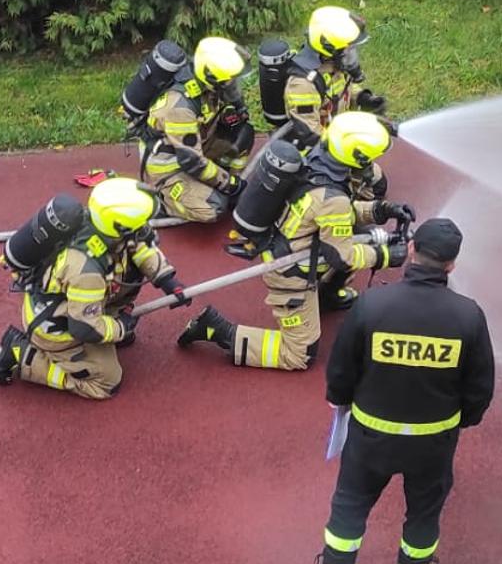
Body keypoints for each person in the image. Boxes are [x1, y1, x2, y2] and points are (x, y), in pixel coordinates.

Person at [303, 218, 495, 564]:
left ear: (410, 250)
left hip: (370, 437)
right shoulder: (468, 316)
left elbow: (341, 368)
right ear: (451, 264)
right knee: (423, 514)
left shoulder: (371, 305)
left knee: (350, 504)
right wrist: (461, 420)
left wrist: (340, 399)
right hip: (433, 442)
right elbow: (480, 388)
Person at [176, 112, 415, 370]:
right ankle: (216, 330)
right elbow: (342, 256)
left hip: (296, 248)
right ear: (357, 156)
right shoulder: (333, 197)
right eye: (369, 159)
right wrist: (385, 256)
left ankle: (328, 296)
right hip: (291, 275)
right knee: (299, 355)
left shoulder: (318, 161)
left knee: (356, 235)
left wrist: (380, 210)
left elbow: (334, 212)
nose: (371, 165)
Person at [0, 178, 189, 399]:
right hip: (57, 328)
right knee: (107, 382)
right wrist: (120, 327)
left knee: (129, 268)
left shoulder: (103, 226)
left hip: (79, 307)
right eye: (140, 223)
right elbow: (84, 328)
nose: (146, 228)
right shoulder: (87, 271)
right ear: (121, 226)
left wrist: (166, 278)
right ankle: (23, 355)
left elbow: (139, 245)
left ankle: (106, 329)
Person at [280, 6, 393, 204]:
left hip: (337, 138)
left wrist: (363, 98)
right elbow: (310, 134)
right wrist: (350, 147)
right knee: (346, 199)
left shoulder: (335, 65)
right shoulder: (303, 85)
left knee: (378, 185)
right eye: (348, 48)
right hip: (316, 152)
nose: (352, 53)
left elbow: (342, 89)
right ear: (330, 48)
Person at [142, 36, 253, 222]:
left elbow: (211, 112)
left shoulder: (209, 85)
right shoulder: (180, 107)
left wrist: (232, 112)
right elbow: (192, 161)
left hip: (196, 145)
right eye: (229, 81)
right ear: (212, 79)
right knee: (214, 207)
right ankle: (163, 202)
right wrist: (230, 185)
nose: (233, 85)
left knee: (243, 133)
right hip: (171, 167)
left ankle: (219, 181)